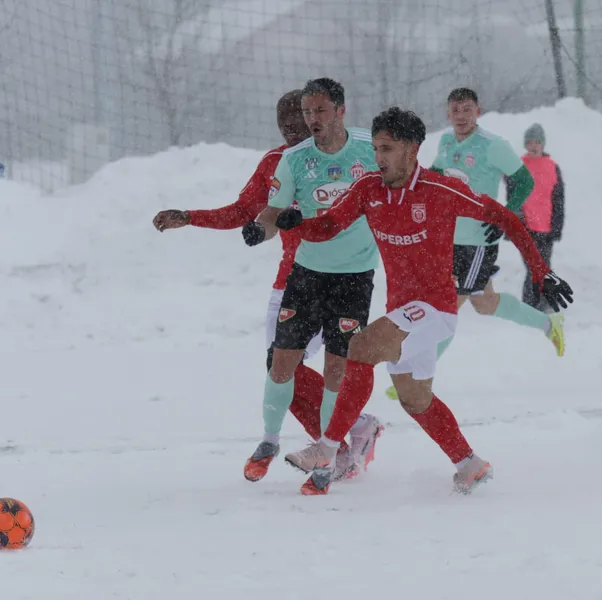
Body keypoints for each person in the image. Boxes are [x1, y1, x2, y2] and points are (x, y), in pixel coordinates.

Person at [275, 107, 574, 496]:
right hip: (403, 312)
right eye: (376, 149)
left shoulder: (440, 190)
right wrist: (300, 225)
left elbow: (505, 218)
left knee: (360, 347)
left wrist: (541, 272)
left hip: (435, 309)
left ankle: (327, 451)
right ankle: (469, 464)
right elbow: (330, 224)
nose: (378, 157)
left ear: (412, 149)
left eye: (387, 149)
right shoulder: (368, 189)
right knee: (415, 400)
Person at [153, 90, 342, 483]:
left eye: (297, 116)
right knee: (279, 368)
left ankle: (337, 442)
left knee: (318, 367)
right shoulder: (276, 162)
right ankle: (347, 433)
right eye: (282, 119)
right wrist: (190, 216)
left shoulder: (343, 156)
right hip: (291, 281)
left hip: (341, 278)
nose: (290, 125)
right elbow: (243, 211)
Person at [243, 77, 384, 482]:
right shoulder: (294, 160)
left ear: (340, 110)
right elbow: (272, 213)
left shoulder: (369, 149)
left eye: (320, 110)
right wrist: (260, 230)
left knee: (336, 369)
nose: (312, 119)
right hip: (306, 275)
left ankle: (328, 453)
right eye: (307, 112)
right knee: (280, 361)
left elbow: (402, 185)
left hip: (354, 278)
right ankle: (269, 441)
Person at [384, 88, 565, 401]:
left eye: (467, 109)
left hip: (479, 241)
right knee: (485, 303)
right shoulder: (446, 141)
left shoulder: (493, 145)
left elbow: (525, 181)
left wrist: (506, 215)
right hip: (450, 238)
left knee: (448, 306)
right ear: (448, 113)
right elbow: (438, 174)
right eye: (455, 110)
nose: (461, 116)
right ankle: (548, 324)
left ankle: (415, 375)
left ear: (477, 112)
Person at [514, 123, 564, 310]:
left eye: (537, 142)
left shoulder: (552, 167)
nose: (533, 146)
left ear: (543, 144)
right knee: (533, 267)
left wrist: (557, 226)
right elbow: (513, 195)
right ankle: (532, 305)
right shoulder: (518, 166)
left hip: (546, 227)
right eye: (530, 142)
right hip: (525, 226)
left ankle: (539, 304)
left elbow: (558, 199)